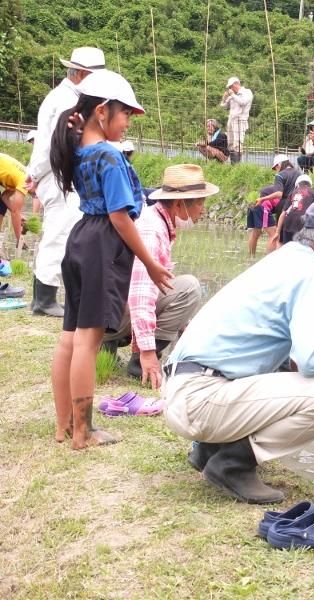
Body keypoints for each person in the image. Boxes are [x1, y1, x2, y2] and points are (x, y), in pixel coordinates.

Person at [162, 196, 314, 504]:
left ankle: (210, 449)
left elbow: (287, 356)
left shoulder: (287, 259)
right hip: (200, 400)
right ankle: (232, 465)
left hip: (185, 390)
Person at [49, 69, 173, 449]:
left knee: (70, 338)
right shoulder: (107, 155)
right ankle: (84, 433)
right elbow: (121, 216)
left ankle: (64, 426)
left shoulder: (79, 149)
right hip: (102, 244)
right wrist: (150, 263)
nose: (126, 124)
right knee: (88, 340)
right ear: (102, 112)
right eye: (125, 115)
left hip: (81, 239)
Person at [102, 164, 217, 386]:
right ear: (179, 203)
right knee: (189, 287)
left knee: (171, 284)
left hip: (105, 311)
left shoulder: (156, 220)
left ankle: (107, 346)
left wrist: (182, 322)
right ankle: (140, 362)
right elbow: (140, 295)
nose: (203, 210)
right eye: (200, 202)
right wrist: (146, 351)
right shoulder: (152, 230)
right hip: (110, 314)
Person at [27, 47, 106, 318]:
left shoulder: (66, 97)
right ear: (82, 74)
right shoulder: (64, 101)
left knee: (62, 231)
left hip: (56, 172)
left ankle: (47, 294)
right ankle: (44, 298)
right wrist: (35, 174)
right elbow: (56, 143)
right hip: (58, 173)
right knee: (59, 233)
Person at [274, 174, 314, 245]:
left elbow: (283, 214)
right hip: (303, 223)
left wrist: (277, 232)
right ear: (310, 184)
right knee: (304, 249)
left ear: (297, 185)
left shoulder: (292, 193)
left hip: (288, 223)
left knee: (288, 248)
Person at [220, 76, 253, 164]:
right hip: (231, 120)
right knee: (230, 143)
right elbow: (223, 106)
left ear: (236, 84)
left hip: (240, 120)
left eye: (230, 86)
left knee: (238, 143)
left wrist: (233, 95)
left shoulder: (247, 92)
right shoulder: (232, 95)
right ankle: (233, 165)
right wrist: (224, 97)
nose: (230, 89)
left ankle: (236, 166)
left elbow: (243, 102)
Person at [0, 153, 28, 247]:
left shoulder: (20, 178)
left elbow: (4, 197)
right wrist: (19, 239)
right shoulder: (25, 182)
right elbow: (15, 212)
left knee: (1, 206)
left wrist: (18, 215)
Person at [246, 183, 281, 257]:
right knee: (274, 235)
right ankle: (270, 260)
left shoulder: (279, 187)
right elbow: (281, 215)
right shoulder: (288, 194)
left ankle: (251, 257)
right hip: (263, 205)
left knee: (255, 233)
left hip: (253, 203)